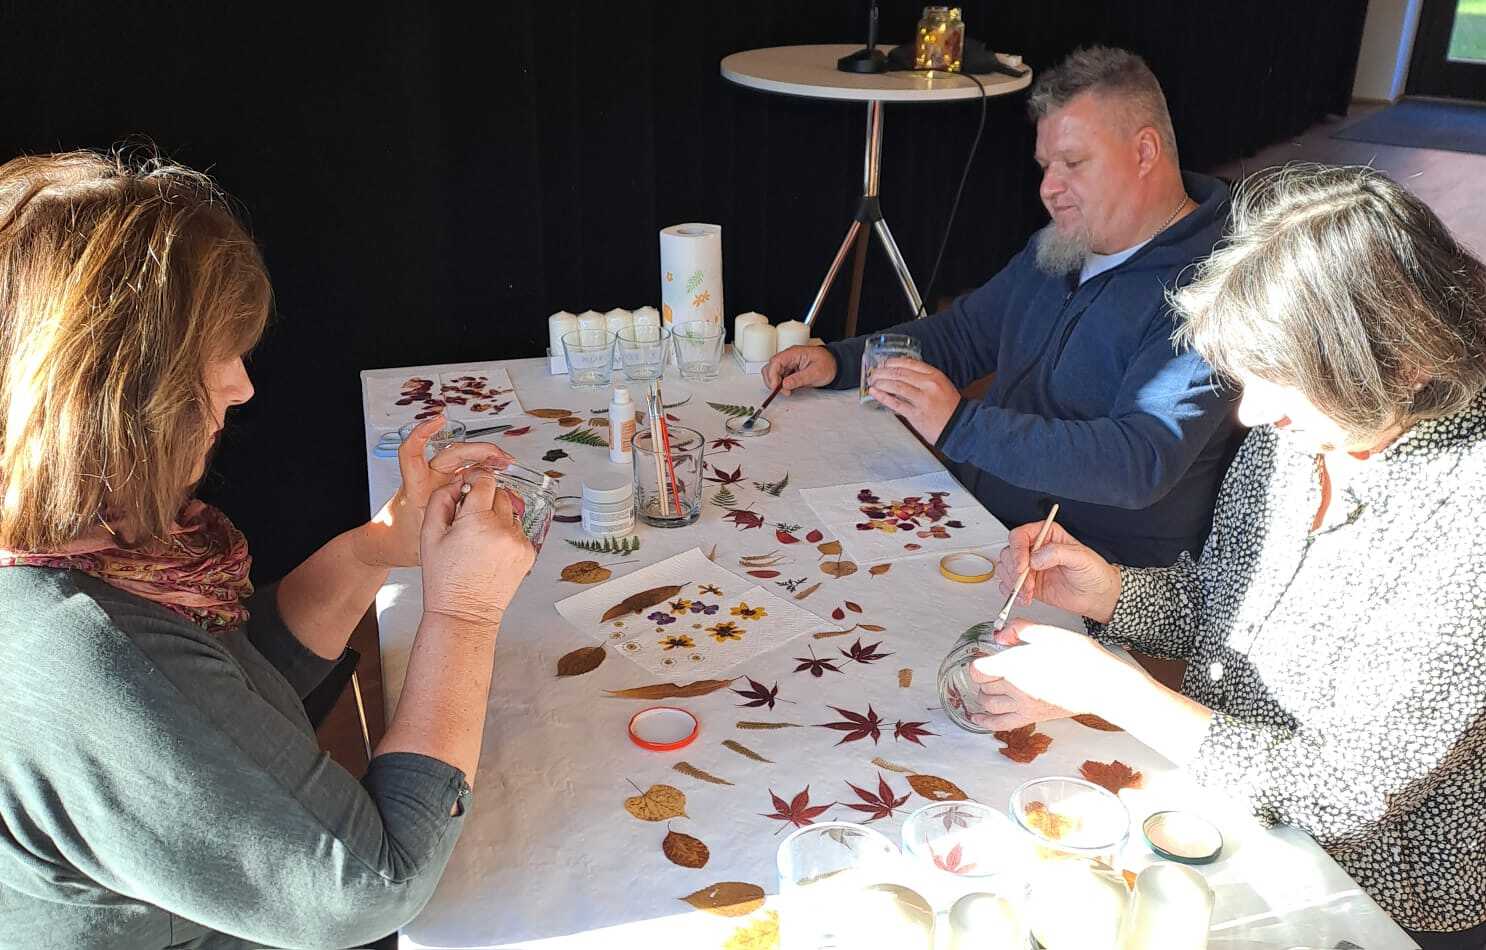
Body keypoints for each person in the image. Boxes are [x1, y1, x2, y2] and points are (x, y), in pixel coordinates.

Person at [0, 151, 535, 948]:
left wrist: (379, 547)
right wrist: (464, 613)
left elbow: (229, 686)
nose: (242, 385)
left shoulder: (69, 548)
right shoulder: (78, 651)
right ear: (108, 394)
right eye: (208, 354)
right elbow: (368, 884)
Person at [973, 164, 1486, 948]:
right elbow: (1224, 611)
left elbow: (1347, 794)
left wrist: (1119, 693)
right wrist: (1109, 592)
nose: (1252, 412)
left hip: (1370, 895)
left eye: (1281, 378)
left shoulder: (1466, 520)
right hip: (1226, 808)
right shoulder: (1311, 429)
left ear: (1401, 362)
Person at [764, 46, 1238, 568]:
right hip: (978, 520)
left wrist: (960, 425)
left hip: (1084, 570)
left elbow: (1140, 461)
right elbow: (965, 335)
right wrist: (842, 361)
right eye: (1046, 166)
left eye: (1073, 163)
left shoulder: (1214, 289)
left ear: (1144, 152)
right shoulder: (1065, 243)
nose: (1049, 188)